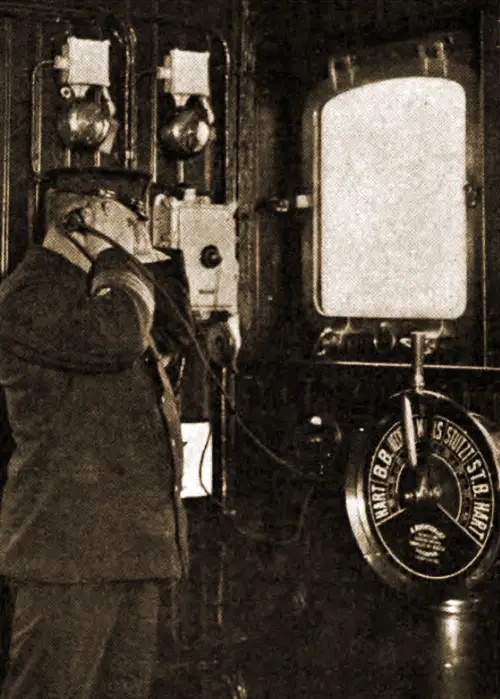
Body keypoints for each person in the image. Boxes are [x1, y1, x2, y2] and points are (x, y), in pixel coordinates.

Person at [0, 168, 194, 699]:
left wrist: (151, 259)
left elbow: (176, 328)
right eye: (127, 220)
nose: (137, 233)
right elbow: (117, 339)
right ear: (79, 219)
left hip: (131, 549)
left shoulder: (110, 292)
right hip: (70, 556)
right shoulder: (30, 295)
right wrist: (115, 255)